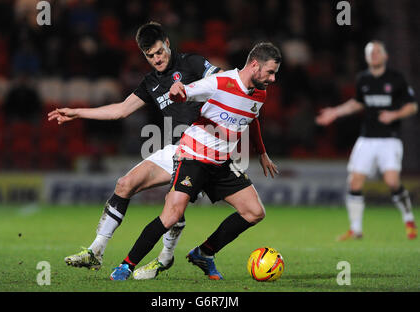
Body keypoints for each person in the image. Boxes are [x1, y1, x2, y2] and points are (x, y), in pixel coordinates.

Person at [47, 22, 274, 279]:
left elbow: (231, 88)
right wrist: (78, 112)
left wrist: (259, 148)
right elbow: (120, 110)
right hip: (179, 148)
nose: (156, 59)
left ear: (167, 43)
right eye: (149, 55)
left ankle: (166, 257)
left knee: (175, 209)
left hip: (209, 147)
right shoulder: (150, 82)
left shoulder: (193, 63)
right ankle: (95, 251)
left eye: (158, 52)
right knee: (125, 184)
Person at [109, 42, 281, 281]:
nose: (273, 78)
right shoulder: (221, 82)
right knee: (170, 216)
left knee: (254, 212)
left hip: (221, 162)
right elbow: (186, 91)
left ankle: (204, 253)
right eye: (270, 72)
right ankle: (126, 266)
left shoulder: (260, 93)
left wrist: (262, 152)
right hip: (193, 157)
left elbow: (252, 117)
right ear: (254, 65)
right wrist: (178, 89)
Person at [316, 40, 418, 240]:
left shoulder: (396, 79)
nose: (374, 55)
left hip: (390, 139)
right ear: (366, 57)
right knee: (354, 182)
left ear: (385, 56)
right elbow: (358, 103)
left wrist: (394, 115)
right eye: (370, 52)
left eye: (377, 52)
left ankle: (408, 219)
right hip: (367, 138)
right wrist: (335, 112)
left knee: (392, 182)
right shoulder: (363, 79)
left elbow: (412, 106)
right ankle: (356, 229)